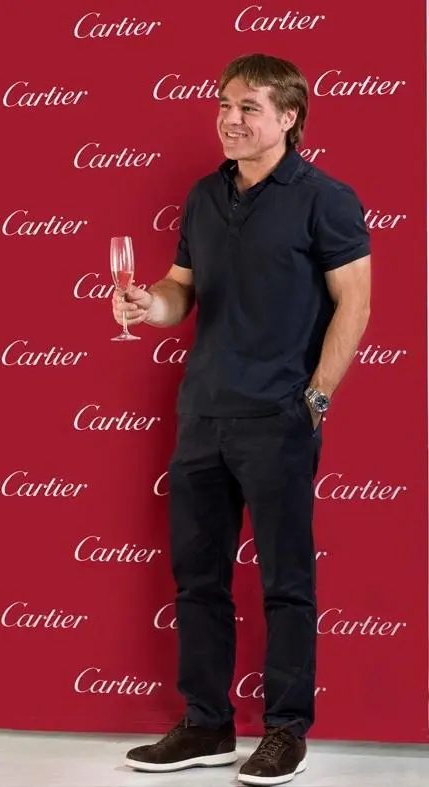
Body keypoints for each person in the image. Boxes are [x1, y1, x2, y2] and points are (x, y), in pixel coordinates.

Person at [112, 53, 371, 786]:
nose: (230, 118)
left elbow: (355, 300)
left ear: (288, 118)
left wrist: (315, 397)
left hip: (277, 415)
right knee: (197, 577)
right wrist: (146, 305)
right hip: (201, 414)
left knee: (286, 581)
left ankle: (286, 728)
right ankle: (206, 722)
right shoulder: (202, 196)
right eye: (224, 104)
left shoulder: (326, 198)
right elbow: (177, 292)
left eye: (249, 107)